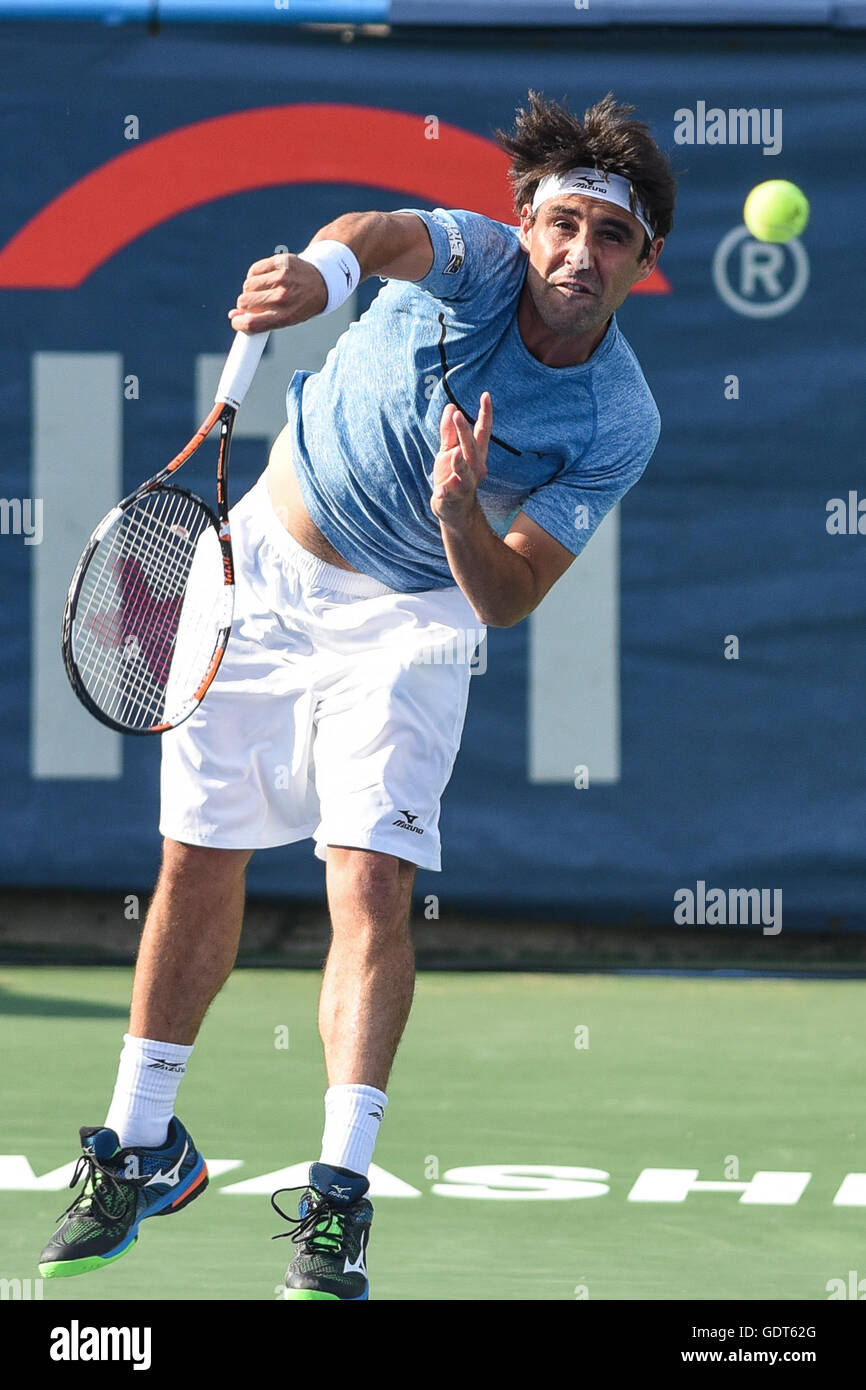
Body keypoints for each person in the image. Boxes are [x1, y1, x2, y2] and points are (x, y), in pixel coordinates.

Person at [38, 90, 675, 1301]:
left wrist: (457, 520)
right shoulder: (476, 258)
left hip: (417, 613)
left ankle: (335, 1200)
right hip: (265, 563)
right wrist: (320, 279)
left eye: (610, 236)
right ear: (525, 227)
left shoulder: (617, 418)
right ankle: (136, 1148)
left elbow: (508, 595)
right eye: (563, 223)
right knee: (193, 859)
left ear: (641, 264)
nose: (577, 252)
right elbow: (379, 232)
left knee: (370, 877)